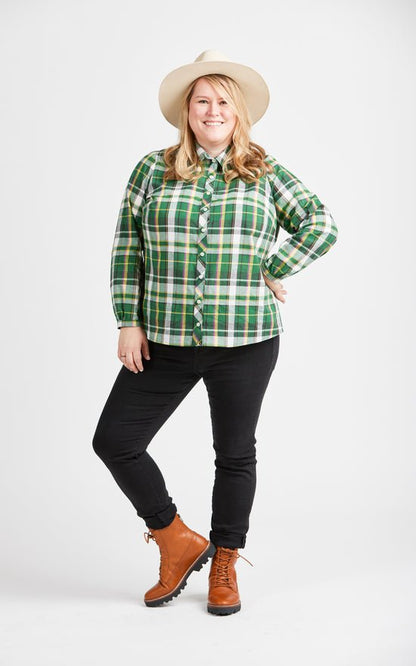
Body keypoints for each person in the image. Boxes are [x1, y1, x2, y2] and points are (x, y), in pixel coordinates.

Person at [92, 49, 338, 616]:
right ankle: (175, 539)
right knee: (116, 441)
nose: (212, 110)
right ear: (187, 110)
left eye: (223, 101)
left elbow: (320, 223)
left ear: (239, 111)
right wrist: (128, 321)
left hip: (246, 339)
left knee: (234, 453)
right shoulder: (151, 170)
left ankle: (225, 560)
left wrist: (274, 267)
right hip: (165, 338)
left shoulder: (263, 171)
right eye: (202, 100)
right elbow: (128, 248)